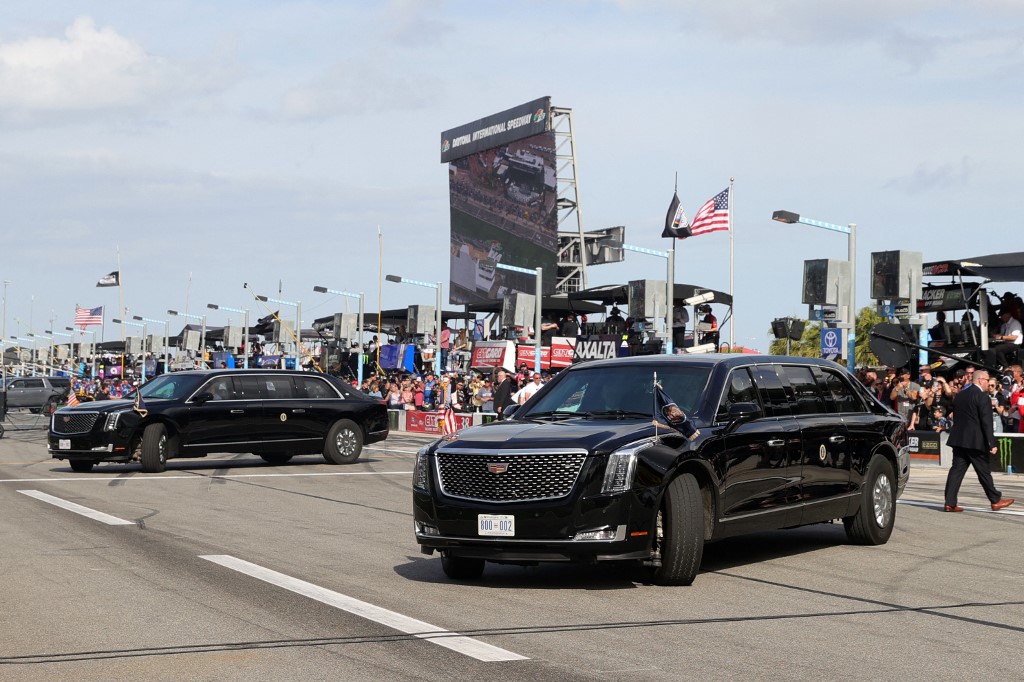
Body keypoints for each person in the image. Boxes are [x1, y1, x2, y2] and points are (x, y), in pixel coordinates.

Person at [943, 369, 1015, 512]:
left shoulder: (960, 395)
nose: (989, 383)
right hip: (975, 441)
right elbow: (986, 422)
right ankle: (995, 500)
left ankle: (950, 502)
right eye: (988, 380)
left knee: (956, 471)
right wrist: (992, 443)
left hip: (959, 439)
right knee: (984, 471)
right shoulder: (983, 397)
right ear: (980, 380)